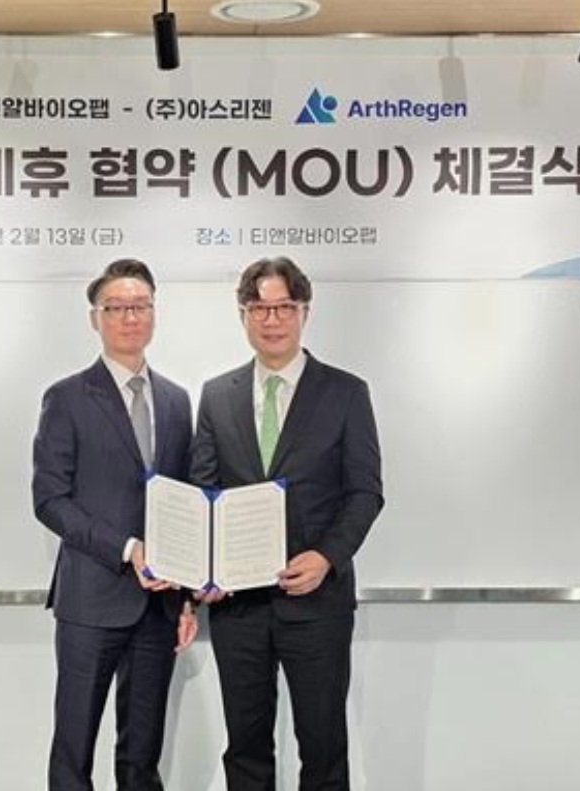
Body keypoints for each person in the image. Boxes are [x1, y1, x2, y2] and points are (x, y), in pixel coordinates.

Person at [190, 255, 384, 791]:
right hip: (239, 609)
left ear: (304, 312)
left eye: (284, 307)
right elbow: (204, 492)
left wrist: (326, 557)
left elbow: (365, 492)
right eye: (259, 308)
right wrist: (204, 570)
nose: (271, 319)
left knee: (322, 748)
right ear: (243, 315)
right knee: (246, 750)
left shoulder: (346, 393)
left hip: (317, 604)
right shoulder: (217, 395)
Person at [33, 258, 198, 791]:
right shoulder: (66, 398)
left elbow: (186, 502)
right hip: (90, 601)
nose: (130, 317)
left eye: (140, 306)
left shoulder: (176, 401)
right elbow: (50, 500)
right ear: (95, 318)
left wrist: (187, 598)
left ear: (154, 313)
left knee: (142, 756)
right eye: (117, 307)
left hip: (159, 605)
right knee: (74, 751)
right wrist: (127, 548)